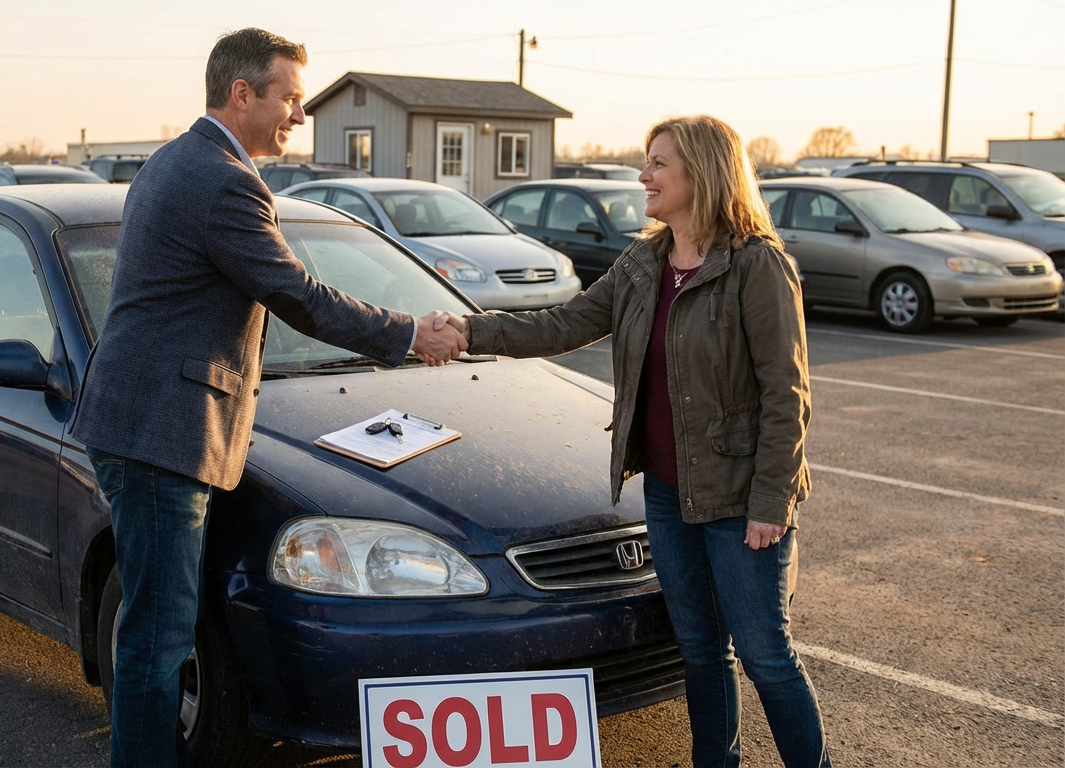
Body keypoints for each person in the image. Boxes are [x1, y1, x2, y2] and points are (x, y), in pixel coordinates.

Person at [69, 28, 465, 768]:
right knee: (158, 638)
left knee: (157, 628)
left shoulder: (173, 160)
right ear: (242, 93)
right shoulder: (224, 181)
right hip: (164, 431)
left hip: (143, 421)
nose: (298, 114)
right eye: (288, 97)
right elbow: (300, 298)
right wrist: (411, 333)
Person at [432, 115, 829, 767]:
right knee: (700, 651)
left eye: (657, 164)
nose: (643, 176)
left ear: (699, 172)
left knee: (766, 654)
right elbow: (567, 322)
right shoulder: (644, 262)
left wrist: (771, 502)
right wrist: (472, 333)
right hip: (669, 498)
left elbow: (787, 394)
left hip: (740, 502)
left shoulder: (756, 265)